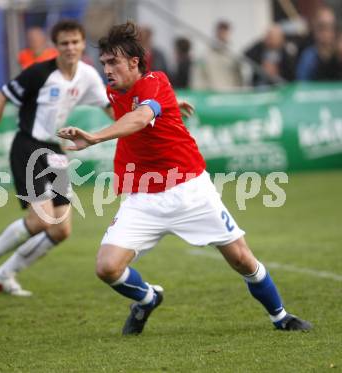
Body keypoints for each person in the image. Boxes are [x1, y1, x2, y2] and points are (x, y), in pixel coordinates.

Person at [58, 21, 312, 335]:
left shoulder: (156, 79)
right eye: (104, 63)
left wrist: (96, 137)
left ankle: (281, 316)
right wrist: (169, 107)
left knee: (242, 259)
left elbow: (139, 116)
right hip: (143, 197)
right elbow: (134, 112)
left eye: (113, 62)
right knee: (107, 268)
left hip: (190, 189)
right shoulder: (116, 91)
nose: (107, 69)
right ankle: (148, 298)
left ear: (134, 62)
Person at [0, 20, 112, 298]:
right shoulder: (39, 73)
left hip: (55, 151)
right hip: (28, 147)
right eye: (64, 43)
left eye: (75, 42)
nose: (70, 48)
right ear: (55, 46)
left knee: (61, 230)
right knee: (41, 220)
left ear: (83, 44)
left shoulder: (89, 75)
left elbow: (110, 108)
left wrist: (146, 115)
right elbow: (0, 97)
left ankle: (3, 274)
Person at [195, 20, 243, 91]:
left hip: (230, 95)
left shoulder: (234, 56)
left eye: (225, 33)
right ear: (216, 33)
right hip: (211, 96)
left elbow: (239, 78)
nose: (222, 36)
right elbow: (198, 78)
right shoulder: (205, 55)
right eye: (220, 32)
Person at [296, 5, 339, 81]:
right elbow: (302, 84)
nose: (327, 32)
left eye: (331, 26)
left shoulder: (339, 54)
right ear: (315, 30)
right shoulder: (308, 57)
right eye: (322, 27)